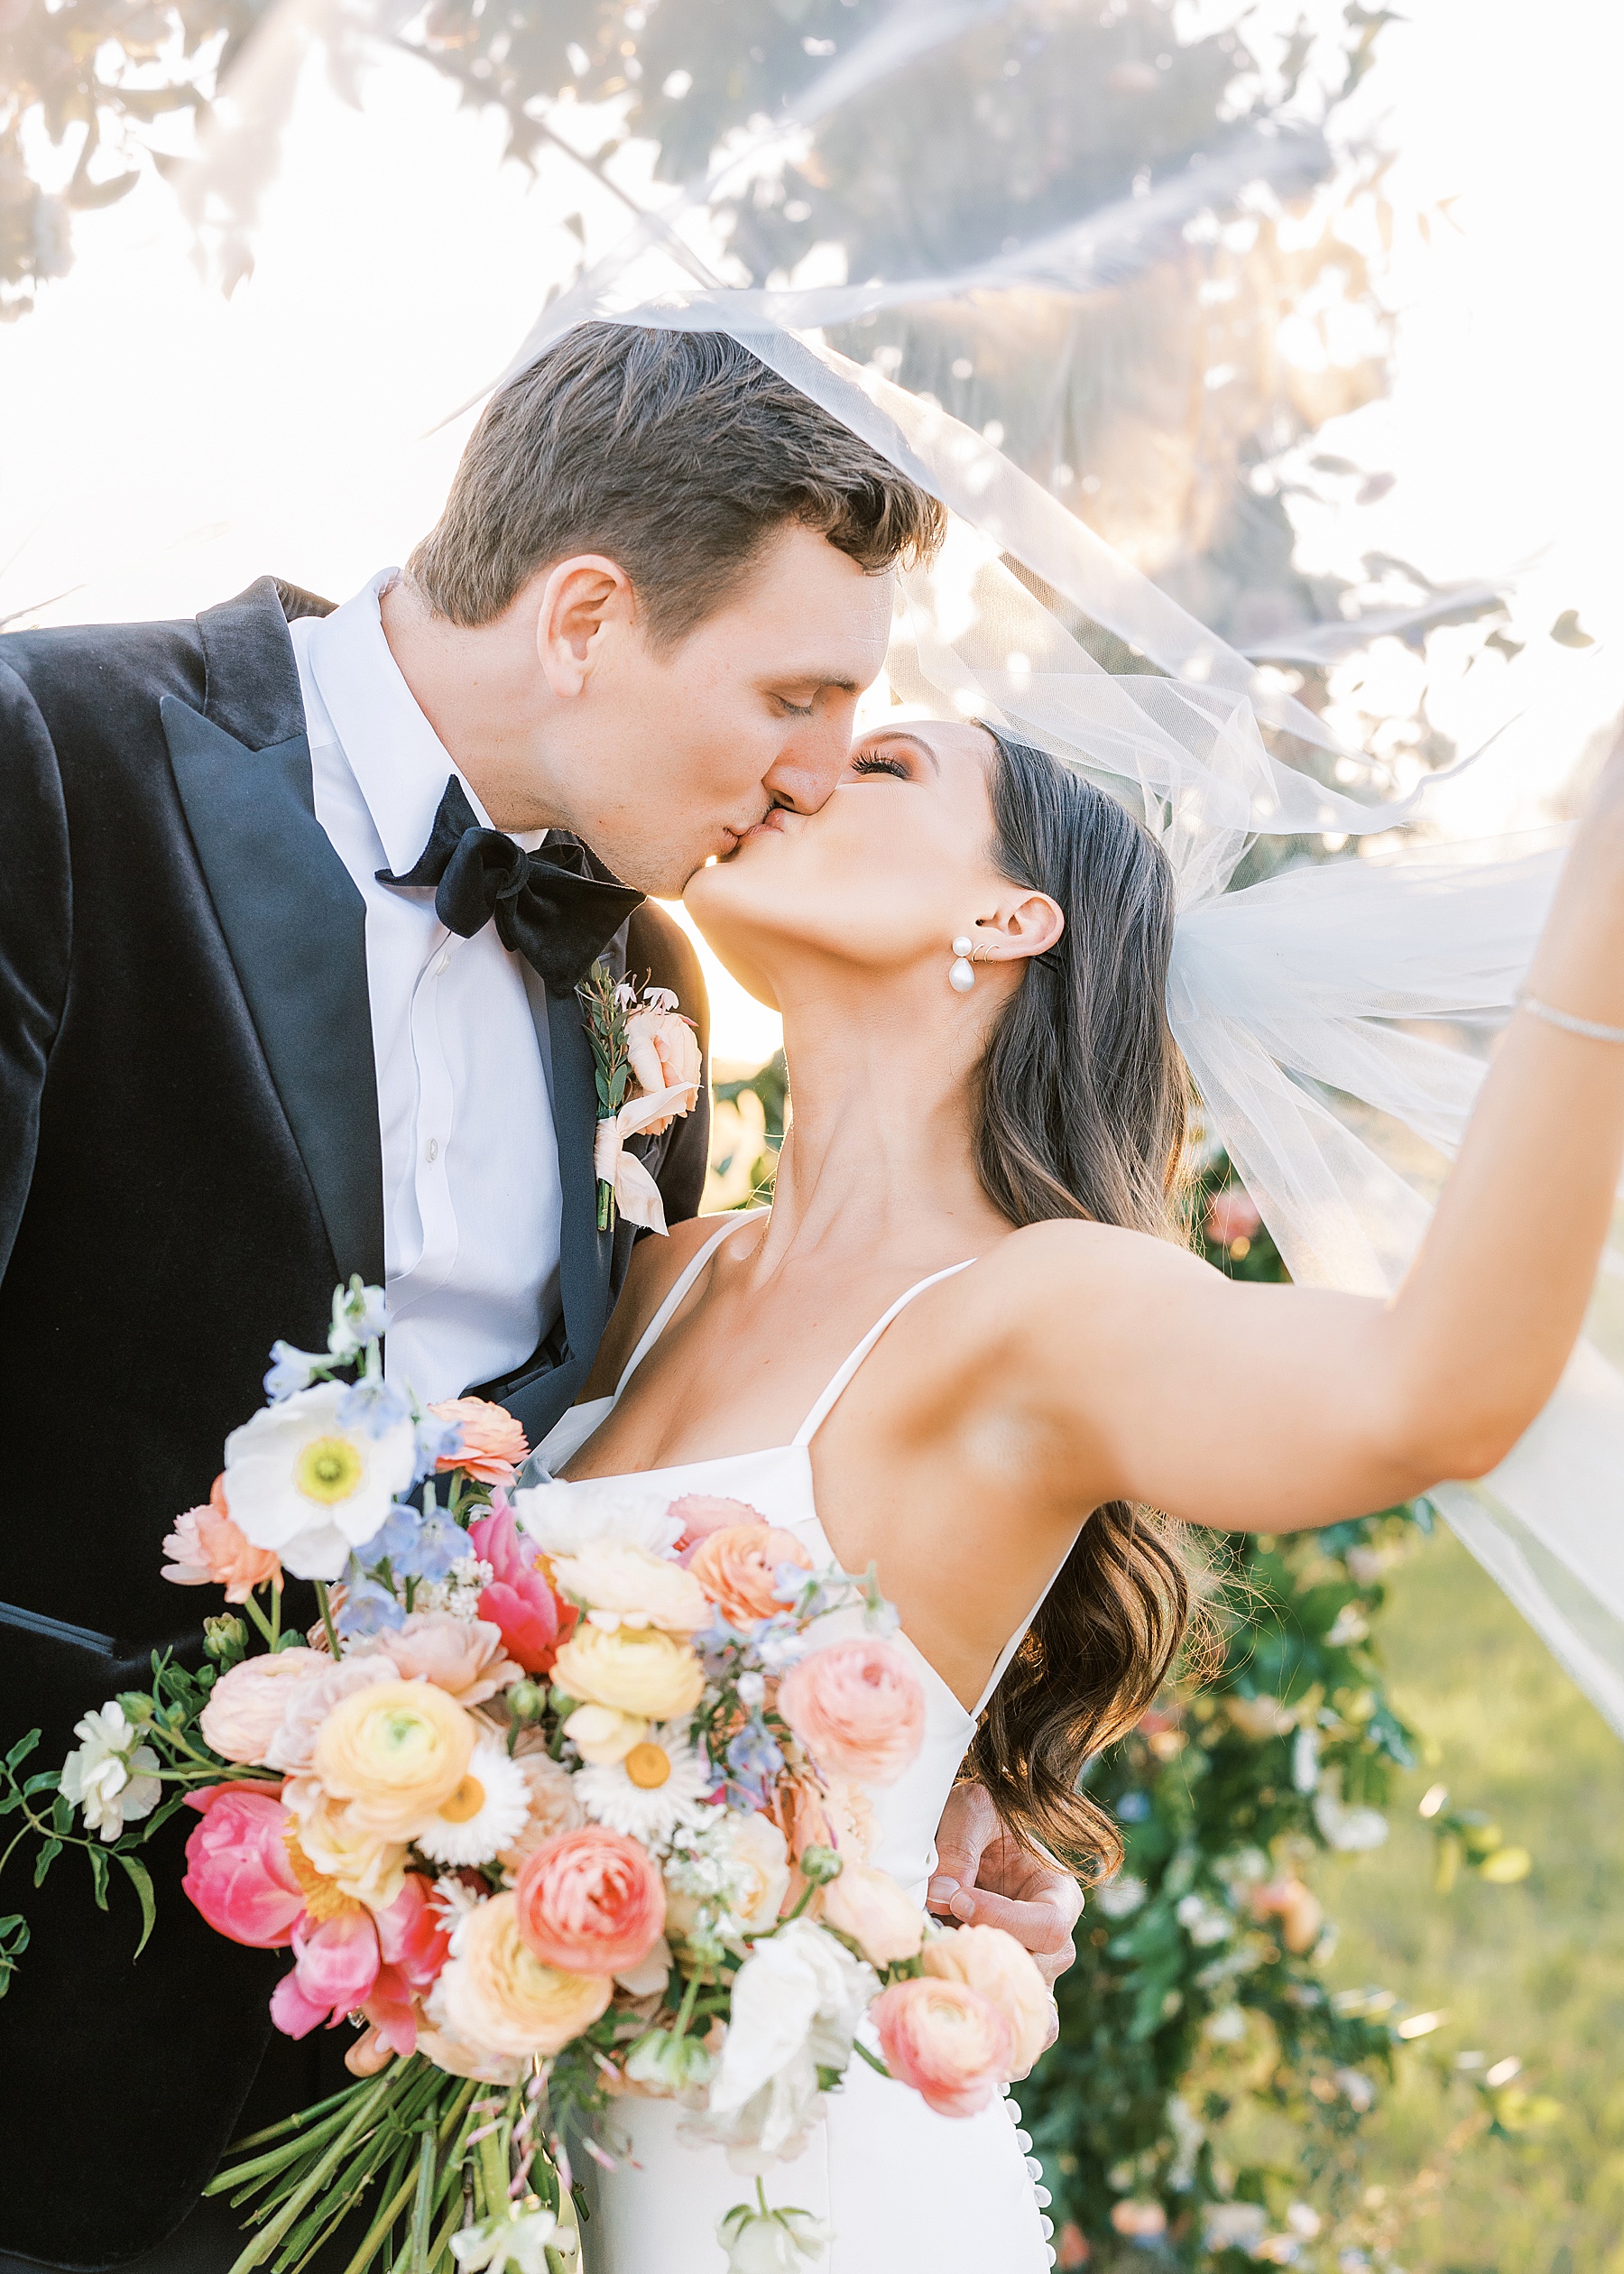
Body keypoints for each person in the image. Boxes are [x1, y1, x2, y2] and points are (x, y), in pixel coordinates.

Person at [0, 327, 1076, 2274]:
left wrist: (935, 1815)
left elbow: (663, 1481)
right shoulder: (47, 760)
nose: (820, 768)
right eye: (798, 692)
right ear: (587, 613)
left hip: (407, 2122)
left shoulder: (644, 981)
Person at [525, 716, 1624, 2269]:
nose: (799, 768)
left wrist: (1604, 899)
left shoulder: (1040, 1311)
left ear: (1005, 916)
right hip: (535, 2180)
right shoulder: (667, 1276)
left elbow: (1428, 1399)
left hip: (797, 2210)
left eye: (886, 764)